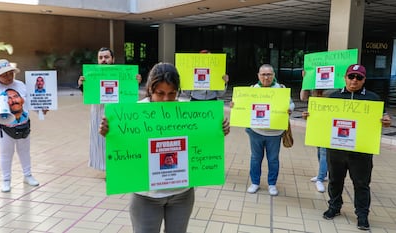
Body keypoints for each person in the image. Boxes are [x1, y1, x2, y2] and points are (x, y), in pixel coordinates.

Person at [99, 62, 230, 233]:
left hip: (182, 194)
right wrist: (109, 132)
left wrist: (219, 130)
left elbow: (204, 139)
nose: (166, 99)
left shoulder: (189, 112)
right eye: (160, 93)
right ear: (150, 90)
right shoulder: (131, 114)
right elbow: (122, 147)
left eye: (172, 93)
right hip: (146, 196)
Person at [302, 64, 392, 231]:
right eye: (351, 76)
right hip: (336, 150)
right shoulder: (333, 97)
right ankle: (334, 207)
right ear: (345, 78)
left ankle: (362, 215)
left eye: (359, 77)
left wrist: (385, 120)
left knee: (361, 184)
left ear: (364, 80)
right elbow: (323, 120)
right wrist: (311, 117)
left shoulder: (373, 99)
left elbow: (382, 118)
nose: (354, 81)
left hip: (361, 151)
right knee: (335, 181)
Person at [78, 47, 142, 172]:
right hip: (98, 111)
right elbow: (87, 93)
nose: (103, 60)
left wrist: (135, 82)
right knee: (100, 140)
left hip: (117, 112)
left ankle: (119, 164)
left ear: (113, 59)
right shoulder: (91, 74)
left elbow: (129, 92)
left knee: (117, 138)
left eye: (106, 57)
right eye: (100, 58)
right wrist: (81, 85)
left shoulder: (122, 73)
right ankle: (106, 168)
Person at [0, 59, 42, 192]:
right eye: (4, 75)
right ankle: (6, 180)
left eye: (10, 73)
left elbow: (30, 102)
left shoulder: (21, 85)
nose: (8, 77)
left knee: (25, 152)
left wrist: (41, 110)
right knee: (6, 154)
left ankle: (28, 175)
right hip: (4, 129)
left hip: (23, 126)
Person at [242, 64, 295, 196]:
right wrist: (235, 105)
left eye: (269, 74)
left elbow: (291, 103)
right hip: (256, 131)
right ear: (258, 75)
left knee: (273, 160)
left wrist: (290, 109)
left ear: (273, 75)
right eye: (263, 74)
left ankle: (272, 184)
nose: (266, 77)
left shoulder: (281, 89)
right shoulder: (252, 89)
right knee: (255, 158)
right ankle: (255, 183)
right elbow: (243, 106)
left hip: (275, 133)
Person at [300, 74, 329, 193]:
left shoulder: (336, 87)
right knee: (319, 149)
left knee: (324, 151)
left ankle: (320, 178)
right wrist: (306, 80)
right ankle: (323, 174)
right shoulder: (313, 84)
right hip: (316, 121)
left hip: (329, 121)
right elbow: (303, 97)